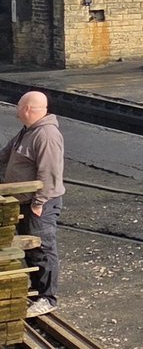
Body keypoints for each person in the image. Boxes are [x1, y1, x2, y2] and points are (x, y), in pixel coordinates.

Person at [0, 91, 64, 317]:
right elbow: (5, 155)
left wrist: (38, 204)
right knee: (30, 250)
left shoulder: (46, 135)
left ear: (27, 109)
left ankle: (48, 297)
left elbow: (50, 173)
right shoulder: (28, 130)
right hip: (24, 201)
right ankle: (37, 290)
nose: (16, 108)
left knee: (42, 248)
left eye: (19, 105)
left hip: (39, 204)